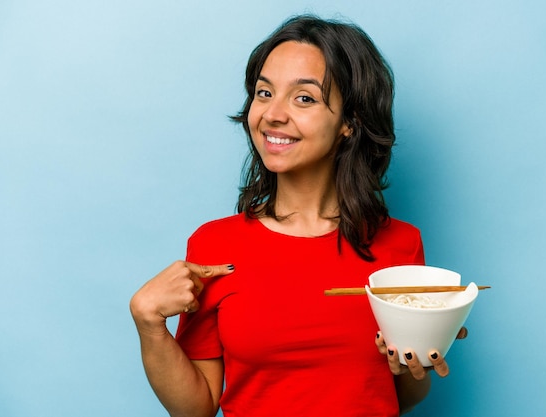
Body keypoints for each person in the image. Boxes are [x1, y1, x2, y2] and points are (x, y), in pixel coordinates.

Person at [130, 14, 464, 417]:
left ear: (350, 122)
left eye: (304, 98)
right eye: (264, 92)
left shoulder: (400, 244)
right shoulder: (215, 246)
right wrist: (148, 324)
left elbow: (403, 394)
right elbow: (195, 408)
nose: (272, 114)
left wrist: (419, 360)